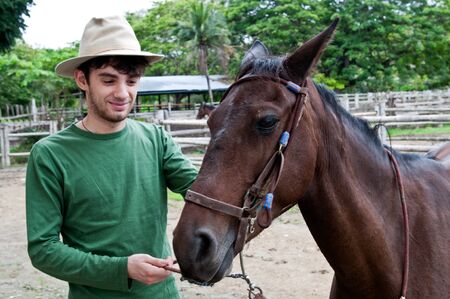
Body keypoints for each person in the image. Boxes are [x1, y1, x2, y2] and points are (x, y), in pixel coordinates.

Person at [26, 15, 197, 299]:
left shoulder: (156, 140)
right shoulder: (50, 154)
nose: (122, 93)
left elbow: (202, 191)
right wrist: (122, 269)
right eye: (108, 80)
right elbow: (43, 250)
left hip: (163, 294)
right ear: (82, 79)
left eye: (131, 81)